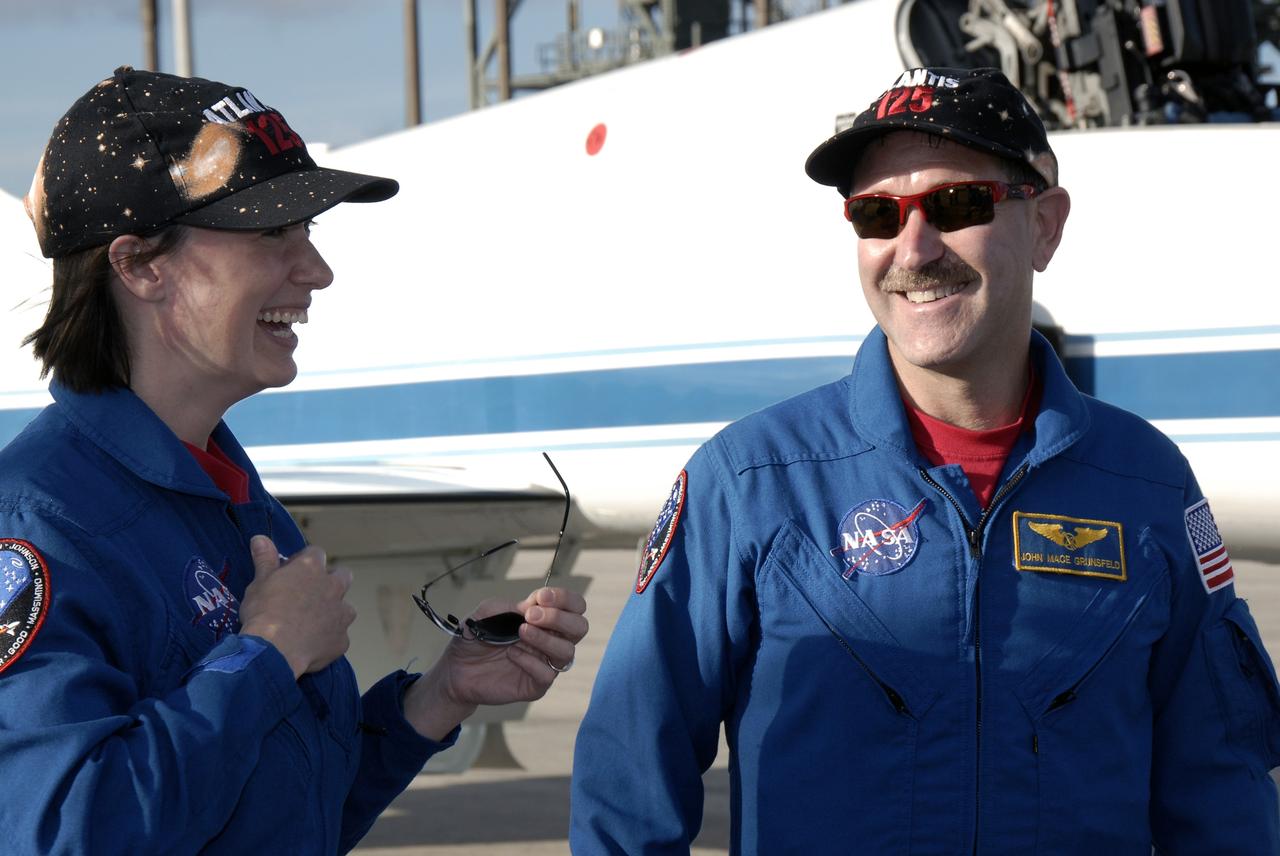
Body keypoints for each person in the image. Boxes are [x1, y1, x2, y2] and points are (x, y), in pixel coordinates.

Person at [570, 66, 1280, 853]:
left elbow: (1221, 784)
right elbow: (629, 777)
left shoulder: (1145, 484)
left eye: (957, 204)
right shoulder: (749, 485)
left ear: (1045, 225)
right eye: (877, 214)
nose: (913, 247)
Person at [0, 66, 587, 854]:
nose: (315, 271)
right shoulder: (39, 529)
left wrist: (440, 697)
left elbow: (286, 810)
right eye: (272, 232)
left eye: (309, 231)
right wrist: (266, 655)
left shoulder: (230, 496)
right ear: (140, 264)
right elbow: (66, 830)